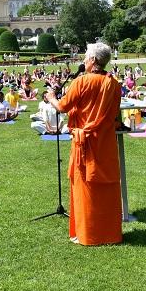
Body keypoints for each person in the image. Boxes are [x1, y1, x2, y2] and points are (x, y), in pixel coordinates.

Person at [46, 42, 123, 246]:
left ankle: (88, 234)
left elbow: (62, 106)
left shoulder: (81, 82)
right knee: (106, 186)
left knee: (85, 187)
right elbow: (115, 115)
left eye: (87, 58)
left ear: (94, 61)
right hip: (105, 143)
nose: (84, 61)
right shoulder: (114, 84)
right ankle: (109, 234)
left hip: (84, 144)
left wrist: (52, 97)